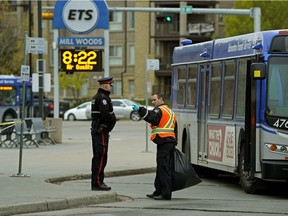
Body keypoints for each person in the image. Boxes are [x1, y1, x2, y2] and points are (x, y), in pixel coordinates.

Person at [132, 93, 177, 200]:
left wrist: (140, 109)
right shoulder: (170, 111)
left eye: (154, 100)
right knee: (161, 168)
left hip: (164, 142)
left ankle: (165, 194)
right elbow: (175, 129)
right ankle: (158, 191)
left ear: (161, 99)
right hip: (168, 142)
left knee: (163, 168)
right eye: (152, 100)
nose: (153, 102)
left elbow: (152, 117)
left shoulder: (160, 110)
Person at [90, 77, 116, 191]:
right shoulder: (102, 98)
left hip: (98, 130)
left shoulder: (98, 97)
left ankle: (96, 181)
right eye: (110, 85)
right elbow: (105, 115)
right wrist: (113, 119)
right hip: (101, 130)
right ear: (106, 86)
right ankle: (98, 183)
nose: (111, 87)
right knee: (101, 156)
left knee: (98, 156)